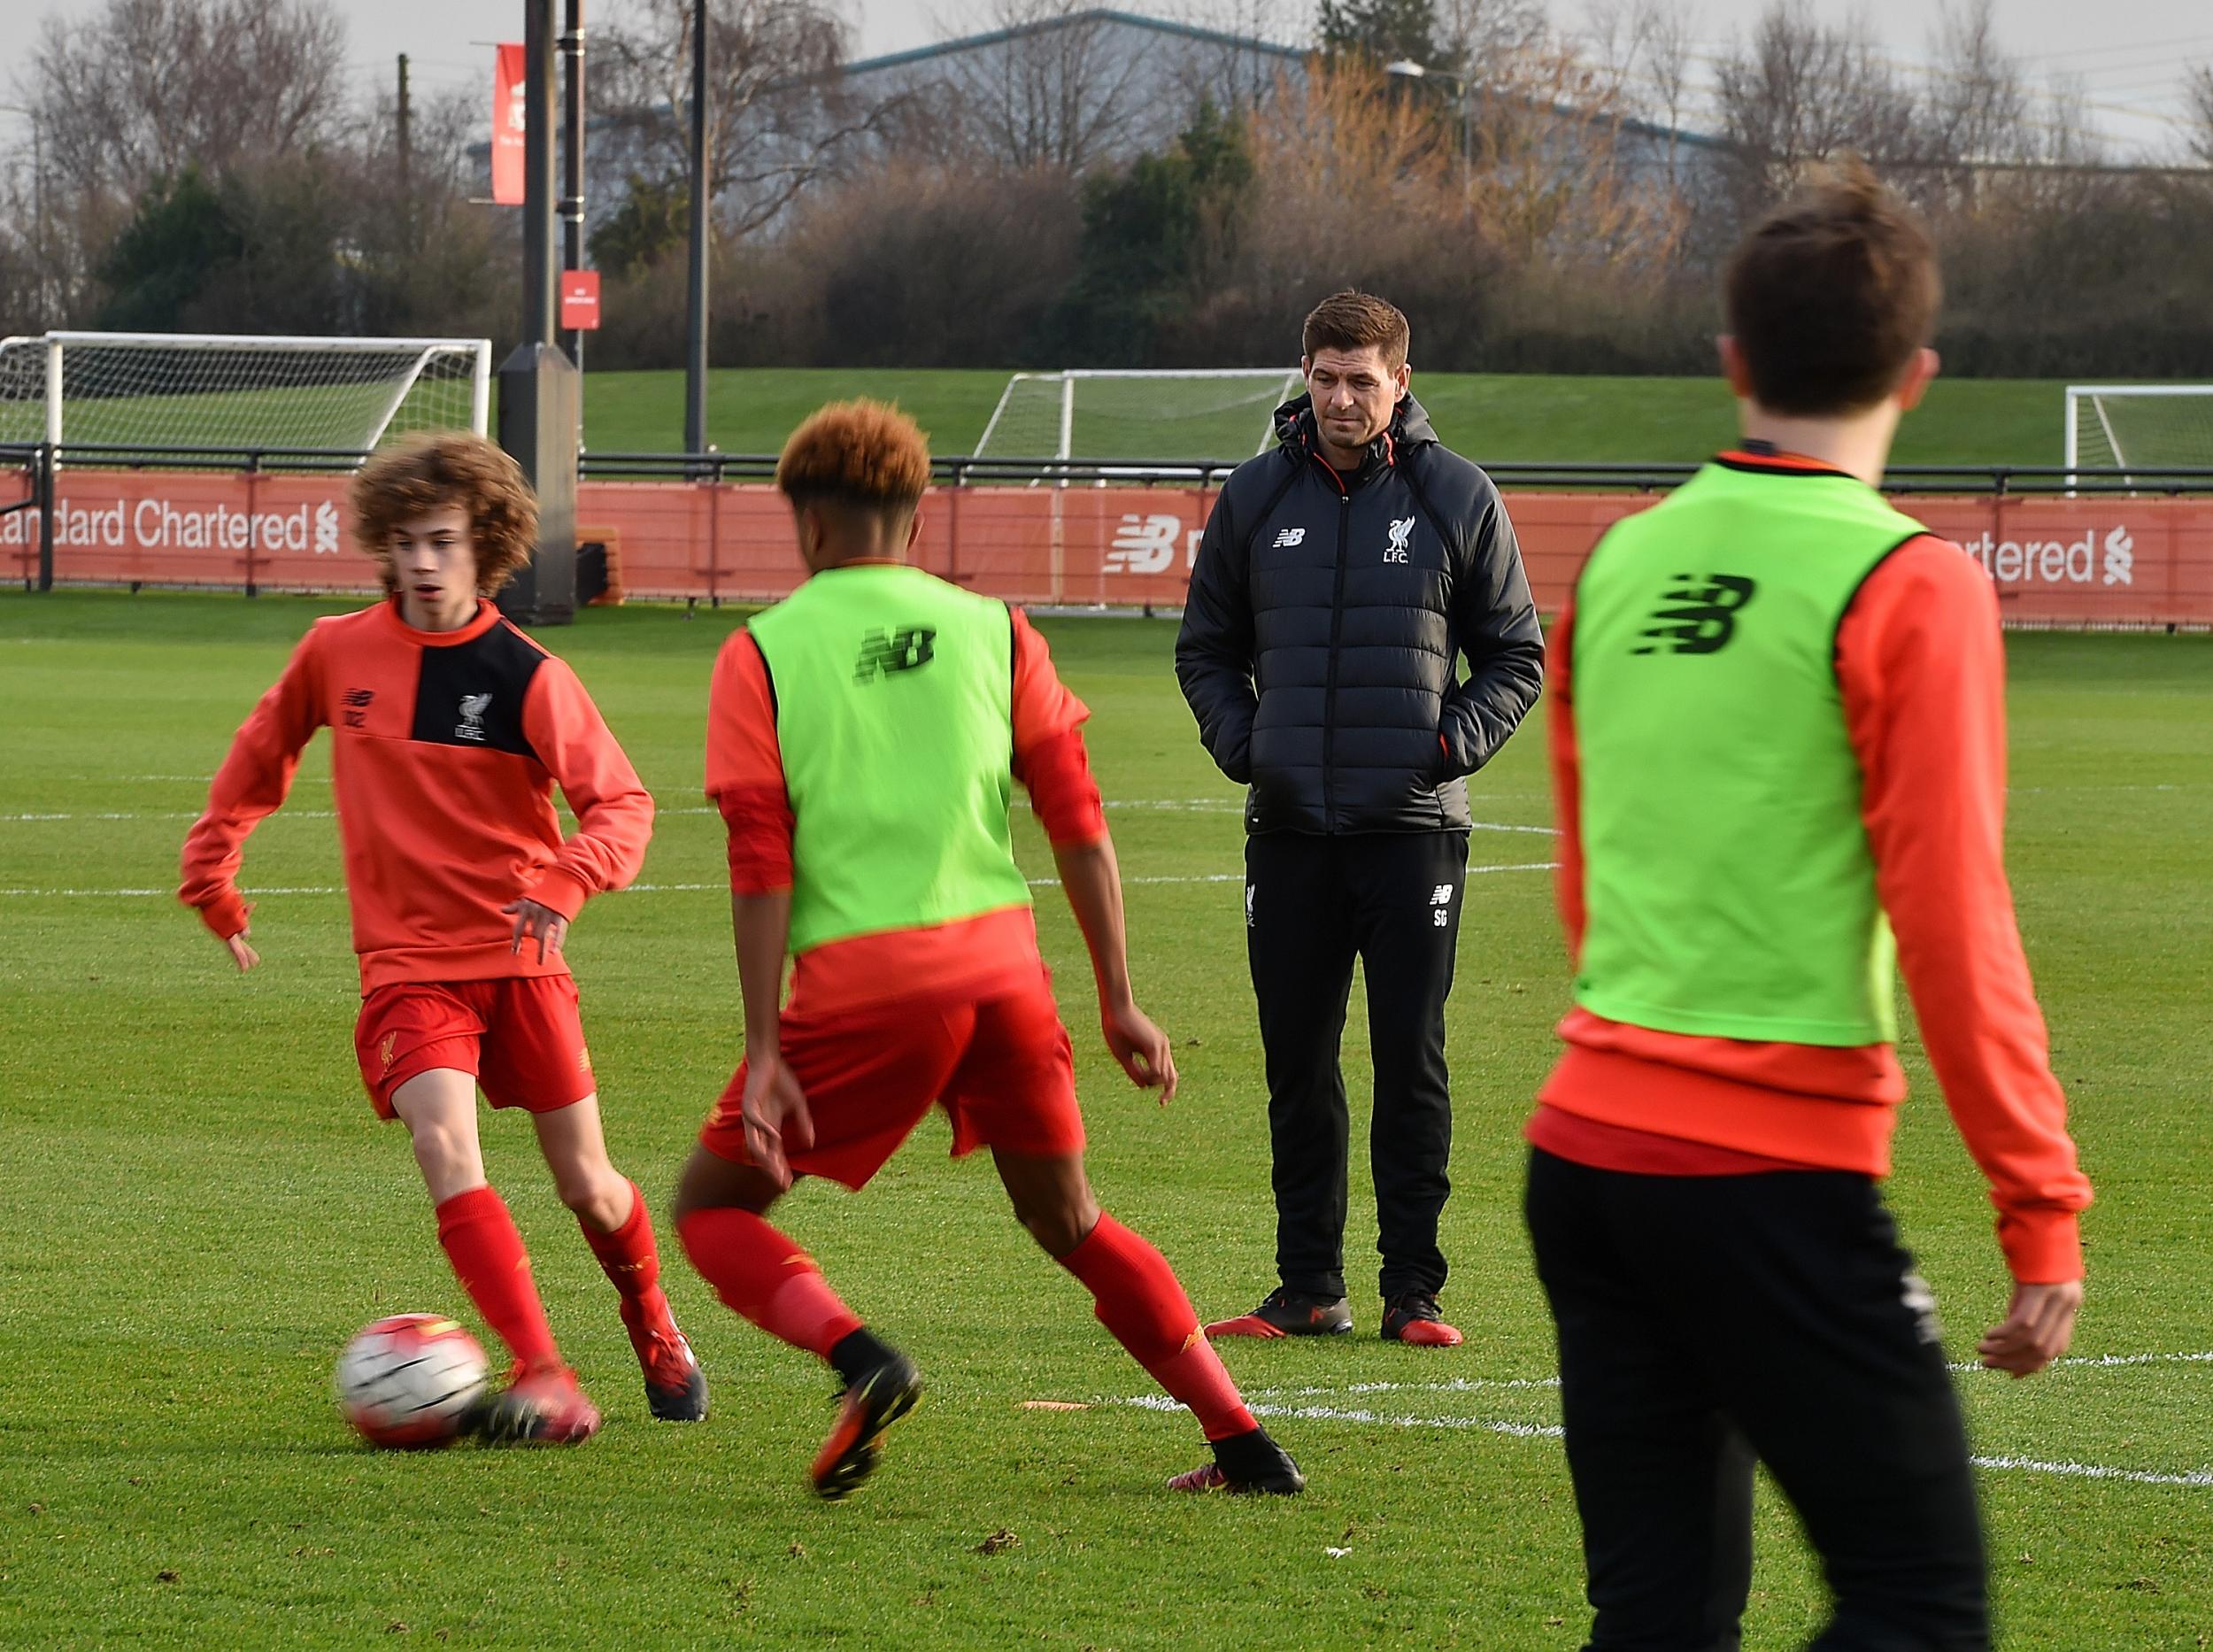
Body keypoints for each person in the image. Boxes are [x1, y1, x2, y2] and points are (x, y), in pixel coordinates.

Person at [1525, 158, 2093, 1648]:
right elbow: (1954, 914)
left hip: (1586, 1157)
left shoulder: (1626, 561)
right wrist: (2040, 1204)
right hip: (1763, 1168)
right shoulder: (1912, 584)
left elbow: (1591, 882)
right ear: (1920, 374)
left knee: (1656, 1619)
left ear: (1732, 360)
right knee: (1921, 1604)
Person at [671, 399, 1303, 1501]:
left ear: (807, 526)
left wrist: (766, 1045)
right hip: (1006, 980)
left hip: (868, 987)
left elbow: (759, 861)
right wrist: (1117, 999)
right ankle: (1243, 1444)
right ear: (916, 524)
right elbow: (1077, 822)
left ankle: (861, 1361)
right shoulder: (996, 630)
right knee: (1070, 1218)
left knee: (710, 1210)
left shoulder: (760, 653)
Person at [179, 432, 706, 1445]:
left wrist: (565, 876)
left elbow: (623, 805)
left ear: (487, 546)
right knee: (442, 1143)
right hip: (409, 967)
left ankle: (651, 1323)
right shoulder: (337, 650)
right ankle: (543, 1371)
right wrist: (213, 875)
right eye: (408, 541)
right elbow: (260, 755)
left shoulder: (530, 675)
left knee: (588, 1186)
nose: (423, 562)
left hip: (523, 960)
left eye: (445, 542)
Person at [1175, 289, 1544, 1347]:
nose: (1341, 399)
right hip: (1288, 830)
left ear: (1400, 384)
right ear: (1303, 373)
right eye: (1325, 377)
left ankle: (1412, 1294)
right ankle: (1308, 1289)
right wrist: (1250, 749)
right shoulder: (1252, 499)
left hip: (1412, 832)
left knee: (1408, 1057)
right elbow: (1204, 649)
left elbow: (1515, 655)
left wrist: (1441, 747)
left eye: (1361, 381)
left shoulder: (1455, 497)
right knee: (1297, 1060)